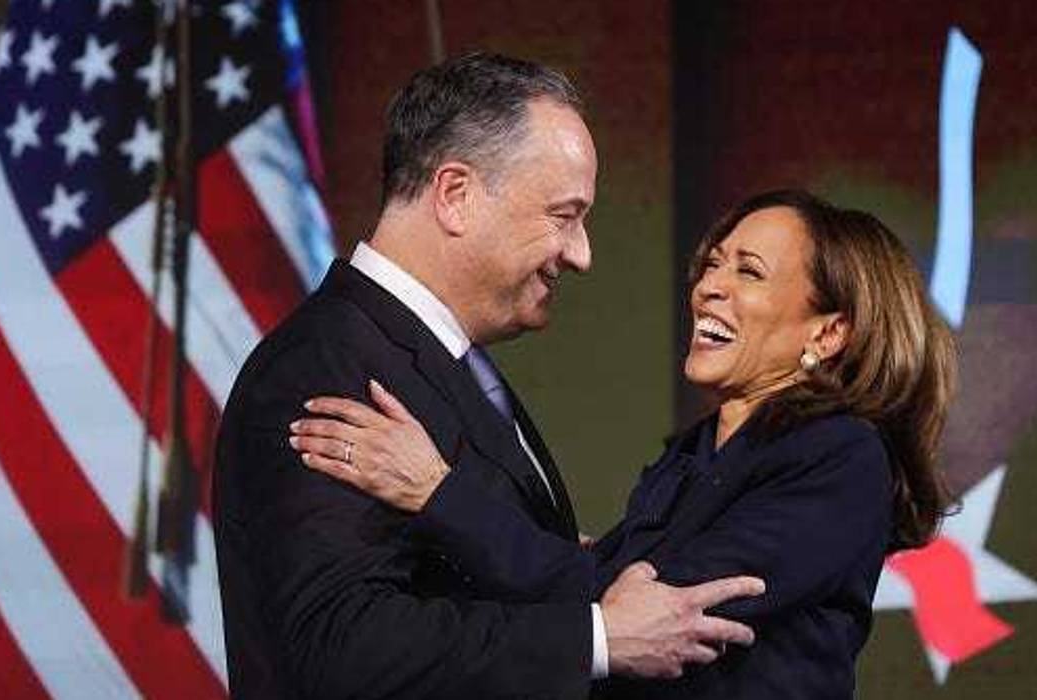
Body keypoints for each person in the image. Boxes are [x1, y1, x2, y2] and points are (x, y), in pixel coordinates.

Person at [213, 53, 764, 700]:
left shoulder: (434, 360)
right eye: (563, 215)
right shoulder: (328, 365)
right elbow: (339, 649)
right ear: (455, 195)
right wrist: (596, 639)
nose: (581, 254)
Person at [288, 189, 959, 698]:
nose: (709, 287)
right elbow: (605, 597)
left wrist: (439, 494)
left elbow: (653, 614)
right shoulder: (693, 454)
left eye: (749, 272)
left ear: (828, 332)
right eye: (713, 263)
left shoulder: (839, 456)